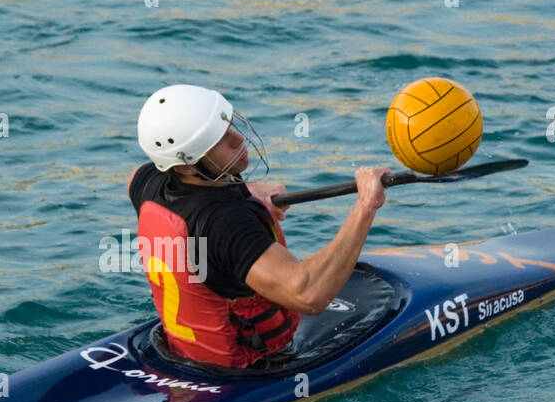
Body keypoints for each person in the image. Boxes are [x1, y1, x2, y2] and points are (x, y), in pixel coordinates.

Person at [128, 84, 391, 369]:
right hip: (248, 367)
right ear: (186, 167)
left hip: (180, 356)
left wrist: (248, 189)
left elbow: (133, 177)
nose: (238, 138)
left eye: (228, 125)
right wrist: (366, 206)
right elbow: (308, 295)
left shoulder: (151, 184)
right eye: (217, 140)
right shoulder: (226, 223)